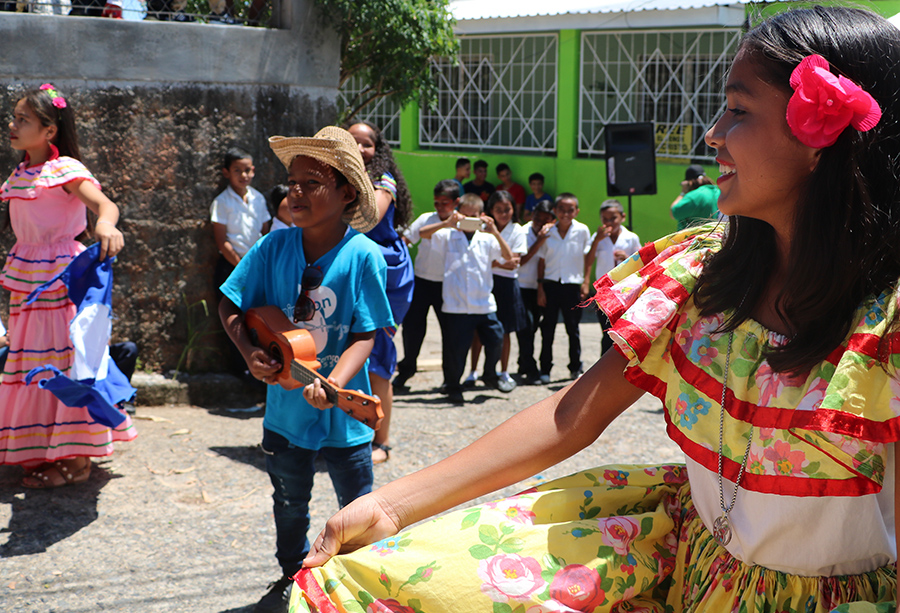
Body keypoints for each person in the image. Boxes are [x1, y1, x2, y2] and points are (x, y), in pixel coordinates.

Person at [284, 7, 900, 613]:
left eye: (738, 110)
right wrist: (392, 506)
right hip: (693, 575)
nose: (712, 132)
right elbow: (574, 414)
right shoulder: (705, 278)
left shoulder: (887, 329)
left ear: (822, 139)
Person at [218, 126, 393, 613]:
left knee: (356, 508)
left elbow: (366, 332)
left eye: (310, 183)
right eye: (292, 182)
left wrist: (336, 383)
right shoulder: (272, 248)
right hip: (284, 416)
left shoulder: (364, 256)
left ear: (345, 193)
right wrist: (248, 351)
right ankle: (292, 576)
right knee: (289, 502)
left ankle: (355, 582)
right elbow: (231, 304)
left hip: (345, 420)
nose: (295, 192)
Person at [0, 83, 131, 488]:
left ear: (49, 130)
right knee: (29, 363)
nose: (13, 124)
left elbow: (104, 205)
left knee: (65, 364)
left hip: (61, 280)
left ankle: (77, 460)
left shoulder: (66, 170)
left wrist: (106, 225)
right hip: (26, 278)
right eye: (14, 117)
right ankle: (40, 448)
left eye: (23, 119)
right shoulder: (19, 174)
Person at [345, 120, 415, 466]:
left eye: (366, 144)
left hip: (385, 272)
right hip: (351, 268)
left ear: (378, 149)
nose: (359, 149)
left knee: (377, 352)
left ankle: (382, 441)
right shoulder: (338, 179)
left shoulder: (382, 181)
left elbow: (369, 218)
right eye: (352, 143)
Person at [425, 194, 515, 404]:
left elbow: (509, 257)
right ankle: (453, 386)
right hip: (456, 305)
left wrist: (494, 231)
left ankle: (490, 374)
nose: (469, 219)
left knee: (496, 339)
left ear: (481, 216)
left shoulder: (487, 238)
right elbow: (423, 234)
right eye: (465, 215)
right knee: (457, 350)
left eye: (473, 216)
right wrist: (447, 222)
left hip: (483, 303)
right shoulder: (447, 235)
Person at [393, 180, 458, 392]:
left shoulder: (462, 223)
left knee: (449, 333)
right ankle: (406, 371)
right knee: (413, 330)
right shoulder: (426, 219)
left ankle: (450, 379)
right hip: (421, 281)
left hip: (447, 285)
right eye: (437, 202)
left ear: (456, 202)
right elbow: (409, 238)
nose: (440, 206)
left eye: (445, 202)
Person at [211, 146, 271, 376]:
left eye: (247, 170)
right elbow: (222, 241)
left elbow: (265, 234)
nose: (243, 175)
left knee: (258, 318)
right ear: (227, 172)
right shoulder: (222, 202)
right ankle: (243, 370)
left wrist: (258, 265)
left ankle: (263, 367)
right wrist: (242, 266)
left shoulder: (258, 199)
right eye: (238, 170)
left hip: (256, 266)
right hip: (232, 266)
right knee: (235, 319)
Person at [464, 190, 526, 390]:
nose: (503, 213)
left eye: (507, 209)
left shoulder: (517, 230)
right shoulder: (479, 228)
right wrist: (499, 263)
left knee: (505, 331)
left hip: (507, 285)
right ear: (490, 210)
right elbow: (496, 260)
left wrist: (493, 261)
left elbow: (514, 262)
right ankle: (473, 371)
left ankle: (503, 372)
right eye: (498, 209)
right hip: (484, 282)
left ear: (513, 209)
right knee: (477, 331)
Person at [537, 193, 593, 383]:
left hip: (572, 285)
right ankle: (545, 368)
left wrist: (586, 281)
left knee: (573, 328)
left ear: (576, 211)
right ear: (555, 211)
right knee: (548, 329)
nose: (566, 213)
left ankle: (575, 367)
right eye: (561, 209)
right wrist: (540, 288)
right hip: (551, 285)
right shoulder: (548, 232)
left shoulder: (582, 230)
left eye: (570, 210)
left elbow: (588, 258)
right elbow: (542, 261)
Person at [584, 199, 642, 356]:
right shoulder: (598, 237)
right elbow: (588, 259)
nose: (609, 222)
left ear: (622, 217)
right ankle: (604, 364)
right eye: (605, 219)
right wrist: (596, 241)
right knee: (606, 330)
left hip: (626, 290)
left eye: (613, 218)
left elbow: (643, 263)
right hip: (604, 291)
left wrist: (628, 257)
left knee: (621, 329)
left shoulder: (631, 238)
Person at [515, 200, 555, 382]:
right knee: (526, 327)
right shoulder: (521, 232)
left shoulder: (552, 234)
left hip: (542, 287)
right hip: (522, 286)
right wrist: (538, 242)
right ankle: (530, 368)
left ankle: (524, 362)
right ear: (532, 215)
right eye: (537, 217)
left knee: (538, 327)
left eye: (545, 219)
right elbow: (521, 261)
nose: (540, 222)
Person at [671, 164, 720, 230]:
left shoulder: (695, 196)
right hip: (712, 236)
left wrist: (683, 192)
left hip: (694, 238)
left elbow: (673, 212)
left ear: (689, 182)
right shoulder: (716, 191)